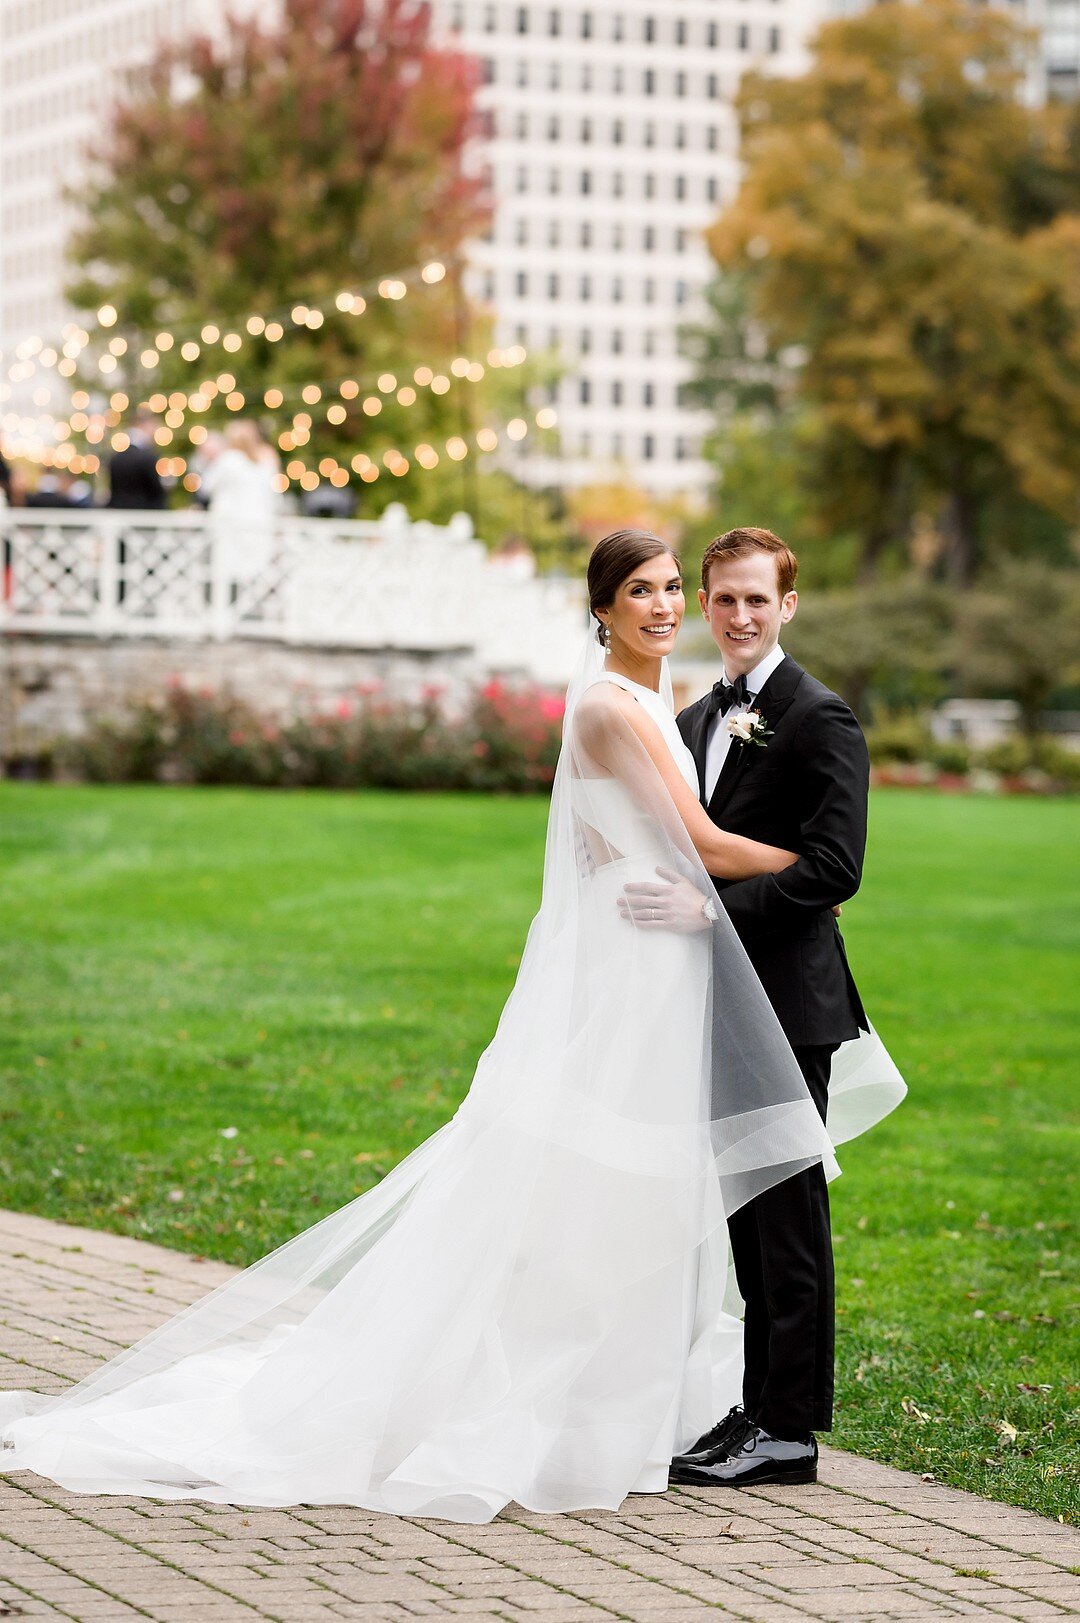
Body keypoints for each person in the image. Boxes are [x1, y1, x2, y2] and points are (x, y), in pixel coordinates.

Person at [0, 531, 902, 1521]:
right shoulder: (646, 706)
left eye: (687, 590)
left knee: (768, 1206)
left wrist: (796, 884)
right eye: (658, 591)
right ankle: (673, 1410)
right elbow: (693, 839)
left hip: (747, 983)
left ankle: (769, 1423)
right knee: (675, 1197)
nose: (686, 608)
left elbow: (811, 859)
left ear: (785, 604)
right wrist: (770, 880)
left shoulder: (775, 712)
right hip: (660, 973)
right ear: (601, 608)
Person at [621, 525, 892, 1489]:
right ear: (704, 602)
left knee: (787, 1218)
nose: (739, 616)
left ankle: (791, 1432)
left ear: (788, 604)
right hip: (714, 1004)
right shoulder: (695, 718)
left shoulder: (820, 717)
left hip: (787, 1003)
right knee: (745, 1218)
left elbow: (834, 868)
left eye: (756, 600)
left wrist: (711, 908)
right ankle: (756, 1407)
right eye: (723, 599)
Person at [203, 420, 280, 585]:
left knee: (228, 571)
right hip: (259, 523)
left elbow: (206, 486)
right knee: (253, 571)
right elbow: (274, 495)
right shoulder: (264, 462)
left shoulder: (228, 460)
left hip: (230, 523)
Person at [107, 411, 165, 509]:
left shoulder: (115, 457)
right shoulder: (148, 457)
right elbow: (156, 493)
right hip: (144, 515)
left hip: (120, 513)